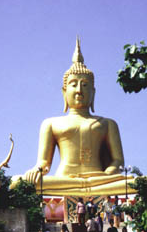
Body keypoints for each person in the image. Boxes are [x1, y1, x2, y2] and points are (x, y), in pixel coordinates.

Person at [11, 38, 136, 197]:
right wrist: (36, 170)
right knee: (17, 181)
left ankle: (87, 187)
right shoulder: (50, 123)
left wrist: (108, 173)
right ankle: (85, 188)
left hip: (99, 179)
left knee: (139, 182)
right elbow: (44, 163)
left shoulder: (108, 124)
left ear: (93, 92)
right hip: (65, 180)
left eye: (85, 85)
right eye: (73, 84)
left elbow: (118, 162)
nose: (79, 90)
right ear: (64, 92)